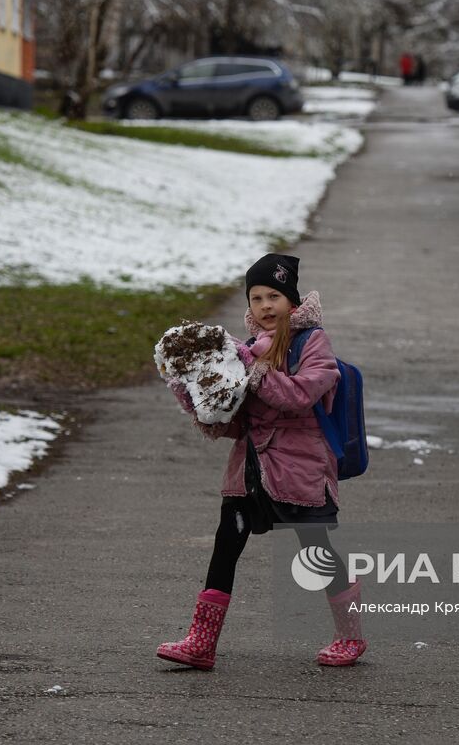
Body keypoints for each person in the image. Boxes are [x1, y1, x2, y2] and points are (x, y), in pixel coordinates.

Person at [156, 252, 367, 670]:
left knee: (315, 551)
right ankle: (201, 642)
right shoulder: (247, 349)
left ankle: (351, 635)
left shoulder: (312, 343)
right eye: (256, 297)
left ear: (293, 301)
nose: (266, 305)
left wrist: (252, 367)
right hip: (249, 468)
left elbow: (301, 395)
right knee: (226, 545)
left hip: (299, 467)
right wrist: (199, 397)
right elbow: (237, 423)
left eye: (275, 295)